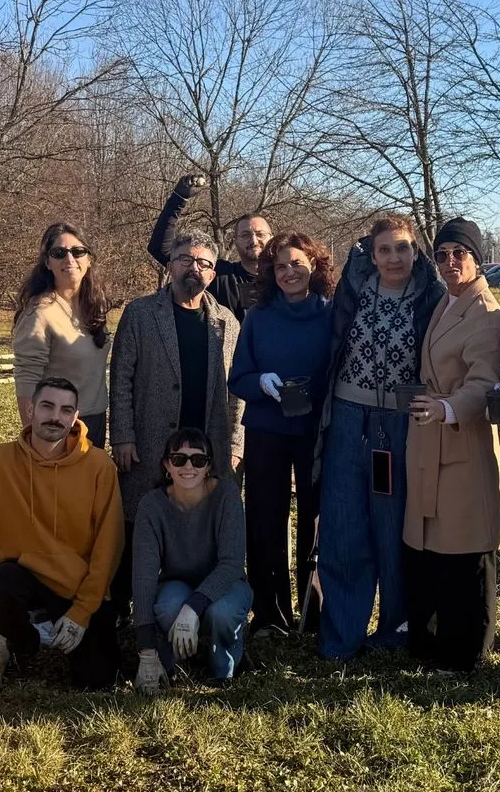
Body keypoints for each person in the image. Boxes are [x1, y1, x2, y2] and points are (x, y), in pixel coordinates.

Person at [315, 215, 445, 660]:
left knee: (394, 529)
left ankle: (396, 629)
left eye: (402, 248)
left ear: (416, 251)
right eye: (384, 250)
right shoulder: (352, 289)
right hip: (348, 418)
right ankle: (342, 634)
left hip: (401, 423)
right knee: (343, 525)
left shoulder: (431, 296)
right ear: (371, 255)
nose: (394, 258)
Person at [0, 377, 124, 689]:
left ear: (75, 416)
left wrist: (82, 611)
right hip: (24, 575)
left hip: (77, 585)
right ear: (30, 409)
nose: (56, 416)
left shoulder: (99, 466)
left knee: (97, 680)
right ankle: (26, 640)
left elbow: (109, 546)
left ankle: (62, 623)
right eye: (47, 406)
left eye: (66, 410)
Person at [109, 228, 243, 616]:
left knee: (201, 525)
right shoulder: (140, 313)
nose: (193, 268)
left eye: (203, 263)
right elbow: (121, 376)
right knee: (136, 520)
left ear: (213, 273)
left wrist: (235, 444)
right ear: (170, 264)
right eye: (185, 259)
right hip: (149, 440)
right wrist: (122, 435)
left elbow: (237, 391)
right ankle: (125, 607)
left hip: (206, 445)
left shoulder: (227, 322)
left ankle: (200, 601)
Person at [403, 218, 500, 674]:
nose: (450, 262)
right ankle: (431, 640)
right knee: (433, 544)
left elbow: (483, 383)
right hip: (429, 436)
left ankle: (466, 650)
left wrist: (447, 409)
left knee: (466, 547)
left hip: (461, 436)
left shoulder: (486, 314)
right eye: (442, 254)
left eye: (459, 254)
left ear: (477, 259)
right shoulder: (446, 301)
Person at [229, 232, 335, 637]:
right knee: (265, 519)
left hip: (316, 431)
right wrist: (262, 383)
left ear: (314, 264)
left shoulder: (332, 314)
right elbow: (238, 377)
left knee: (315, 518)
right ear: (270, 273)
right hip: (267, 430)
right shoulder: (259, 316)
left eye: (297, 263)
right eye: (280, 267)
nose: (289, 272)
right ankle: (270, 614)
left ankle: (313, 612)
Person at [132, 427, 252, 692]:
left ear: (208, 466)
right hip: (177, 582)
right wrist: (146, 651)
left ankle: (224, 664)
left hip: (226, 584)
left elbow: (232, 563)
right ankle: (170, 660)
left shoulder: (227, 495)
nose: (189, 467)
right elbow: (143, 577)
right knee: (168, 607)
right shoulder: (151, 506)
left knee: (223, 613)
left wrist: (193, 608)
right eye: (179, 459)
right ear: (167, 465)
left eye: (198, 460)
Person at [13, 223, 110, 448]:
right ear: (47, 262)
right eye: (59, 253)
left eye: (78, 251)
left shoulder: (93, 306)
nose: (69, 259)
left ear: (89, 259)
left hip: (95, 419)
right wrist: (35, 438)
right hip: (58, 424)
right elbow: (27, 378)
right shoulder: (40, 312)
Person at [147, 174, 272, 321]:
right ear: (235, 241)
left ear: (272, 238)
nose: (254, 240)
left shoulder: (285, 275)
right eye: (245, 235)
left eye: (260, 234)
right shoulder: (218, 275)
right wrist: (178, 199)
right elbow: (161, 249)